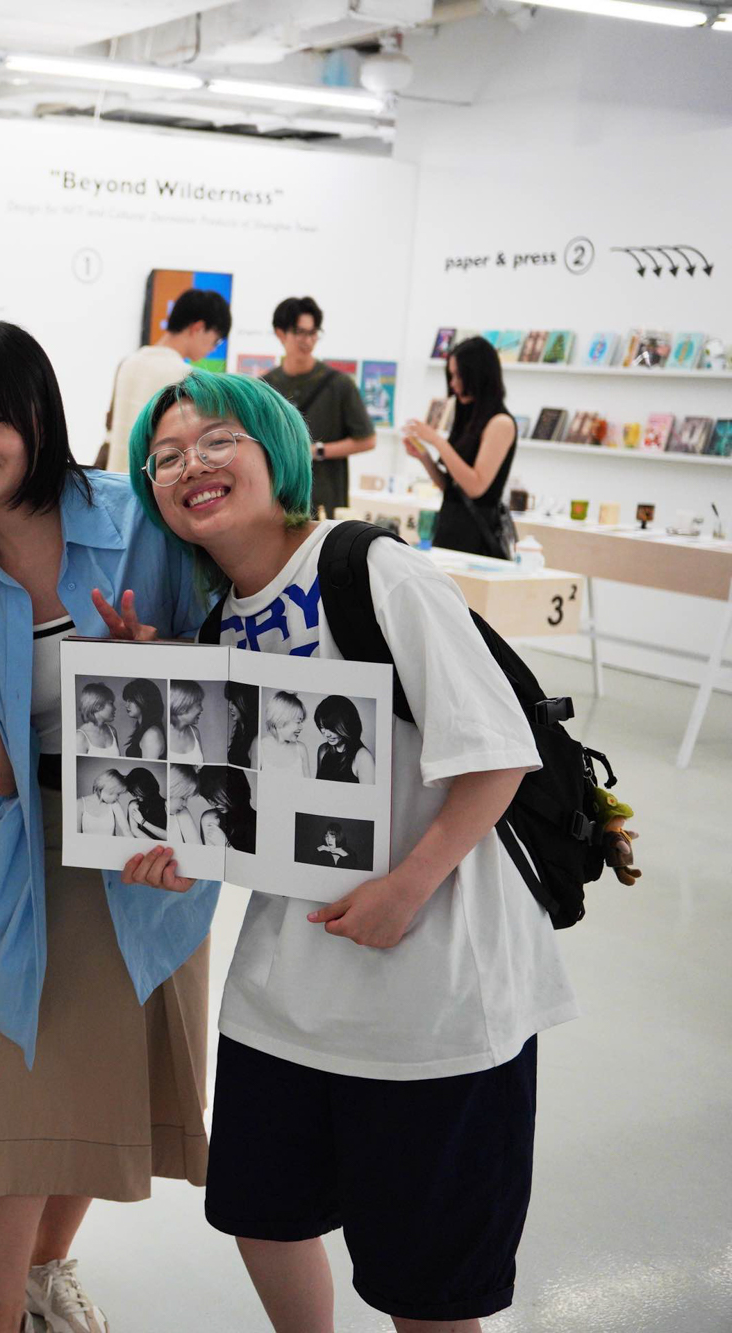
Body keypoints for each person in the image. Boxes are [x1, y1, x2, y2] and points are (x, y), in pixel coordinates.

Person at [121, 367, 577, 1333]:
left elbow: (501, 752)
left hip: (434, 993)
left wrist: (408, 887)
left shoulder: (372, 570)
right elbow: (258, 808)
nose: (191, 465)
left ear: (277, 450)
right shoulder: (220, 619)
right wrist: (189, 847)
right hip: (289, 989)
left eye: (217, 440)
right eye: (164, 457)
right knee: (261, 1214)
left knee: (429, 1285)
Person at [0, 320, 220, 1333]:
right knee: (20, 1102)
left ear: (39, 421)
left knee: (106, 1086)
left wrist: (157, 663)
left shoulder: (136, 519)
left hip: (153, 841)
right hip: (31, 847)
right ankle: (0, 1316)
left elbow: (221, 684)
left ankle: (46, 1266)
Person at [402, 336, 518, 558]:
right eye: (451, 376)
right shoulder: (468, 419)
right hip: (450, 526)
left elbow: (475, 486)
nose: (453, 384)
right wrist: (424, 457)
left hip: (477, 537)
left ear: (477, 375)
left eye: (458, 375)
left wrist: (437, 441)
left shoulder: (500, 423)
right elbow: (452, 487)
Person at [262, 297, 375, 518]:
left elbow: (367, 439)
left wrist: (317, 451)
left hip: (326, 500)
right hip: (278, 498)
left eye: (313, 333)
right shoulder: (265, 386)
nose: (308, 341)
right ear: (280, 333)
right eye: (300, 332)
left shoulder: (339, 384)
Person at [96, 287, 231, 471]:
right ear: (198, 328)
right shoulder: (186, 376)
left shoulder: (129, 363)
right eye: (216, 340)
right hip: (151, 479)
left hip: (115, 477)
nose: (213, 349)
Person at [314, 695, 375, 784]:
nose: (326, 734)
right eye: (322, 727)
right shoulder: (323, 750)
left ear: (347, 725)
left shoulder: (363, 758)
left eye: (331, 728)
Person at [197, 766, 257, 854]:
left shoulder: (257, 823)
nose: (212, 804)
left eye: (215, 797)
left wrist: (225, 844)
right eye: (208, 798)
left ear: (233, 790)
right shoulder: (211, 818)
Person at [260, 691, 312, 776]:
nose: (301, 727)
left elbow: (308, 782)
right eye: (298, 722)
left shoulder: (301, 749)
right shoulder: (261, 747)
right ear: (280, 721)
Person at [121, 678, 165, 759]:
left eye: (131, 700)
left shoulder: (152, 734)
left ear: (145, 699)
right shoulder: (144, 730)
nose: (126, 705)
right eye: (126, 700)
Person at [78, 767, 129, 835]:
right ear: (110, 789)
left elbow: (126, 830)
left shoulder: (114, 804)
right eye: (118, 794)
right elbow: (75, 837)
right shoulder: (79, 804)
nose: (117, 798)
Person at [75, 683, 121, 756]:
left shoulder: (112, 731)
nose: (115, 708)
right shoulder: (80, 737)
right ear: (97, 706)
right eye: (111, 703)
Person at [167, 680, 206, 763]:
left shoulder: (195, 732)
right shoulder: (164, 735)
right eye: (199, 704)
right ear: (182, 705)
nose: (201, 709)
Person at [163, 765, 203, 844]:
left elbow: (196, 845)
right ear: (171, 791)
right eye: (183, 798)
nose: (185, 804)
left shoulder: (182, 813)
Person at [225, 682, 257, 769]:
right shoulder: (238, 730)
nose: (229, 706)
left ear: (246, 702)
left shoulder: (255, 739)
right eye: (229, 701)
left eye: (234, 702)